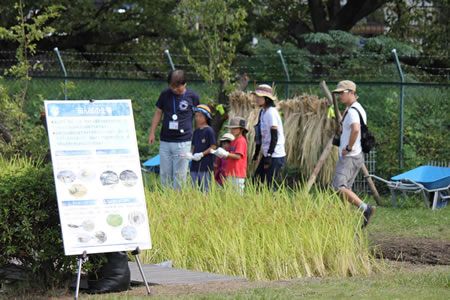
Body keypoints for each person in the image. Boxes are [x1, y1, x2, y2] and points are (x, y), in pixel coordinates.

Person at [332, 80, 375, 228]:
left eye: (342, 93)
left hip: (350, 157)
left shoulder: (352, 112)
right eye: (338, 94)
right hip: (357, 156)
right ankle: (343, 219)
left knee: (338, 187)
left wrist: (348, 148)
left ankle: (365, 208)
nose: (339, 97)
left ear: (351, 92)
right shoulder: (357, 108)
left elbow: (356, 129)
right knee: (345, 190)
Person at [148, 70, 200, 190]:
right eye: (172, 86)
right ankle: (167, 198)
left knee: (179, 174)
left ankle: (178, 200)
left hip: (183, 141)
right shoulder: (165, 94)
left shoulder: (193, 96)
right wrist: (152, 132)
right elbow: (158, 112)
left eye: (178, 87)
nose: (174, 89)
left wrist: (196, 137)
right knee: (165, 173)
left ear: (185, 84)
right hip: (165, 141)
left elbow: (197, 117)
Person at [251, 84, 286, 191]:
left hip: (275, 154)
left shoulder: (271, 113)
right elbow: (259, 135)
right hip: (267, 153)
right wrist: (257, 153)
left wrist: (269, 156)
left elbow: (274, 136)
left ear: (266, 99)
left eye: (259, 96)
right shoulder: (262, 112)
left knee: (269, 184)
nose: (256, 99)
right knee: (256, 180)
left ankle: (274, 204)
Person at [213, 117, 248, 195]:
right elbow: (227, 155)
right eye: (231, 128)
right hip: (230, 172)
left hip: (238, 172)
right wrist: (218, 153)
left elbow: (238, 156)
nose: (232, 130)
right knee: (230, 195)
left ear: (241, 129)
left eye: (234, 128)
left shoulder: (241, 141)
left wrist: (226, 154)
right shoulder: (234, 141)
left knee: (237, 195)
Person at [188, 104, 217, 192]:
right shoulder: (196, 132)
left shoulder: (209, 130)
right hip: (194, 165)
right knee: (194, 188)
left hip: (205, 165)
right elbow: (193, 146)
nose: (198, 118)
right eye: (196, 116)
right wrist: (190, 154)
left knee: (205, 189)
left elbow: (213, 147)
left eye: (200, 116)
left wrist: (201, 154)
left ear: (206, 117)